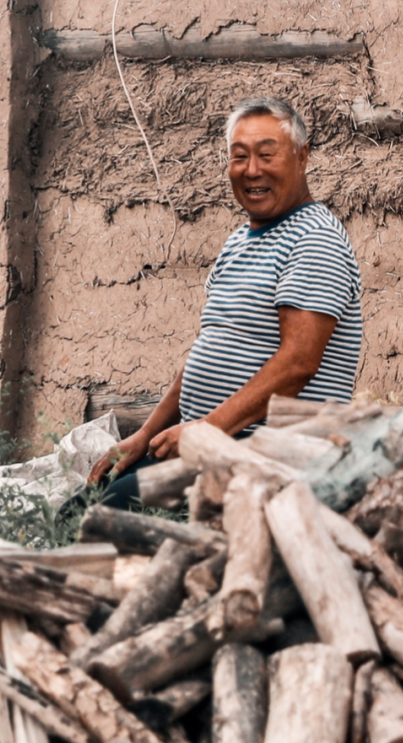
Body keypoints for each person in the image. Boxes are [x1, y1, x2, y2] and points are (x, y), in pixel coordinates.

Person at [88, 96, 362, 508]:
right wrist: (145, 435)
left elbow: (298, 363)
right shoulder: (239, 242)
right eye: (239, 156)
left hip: (264, 457)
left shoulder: (314, 239)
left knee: (106, 513)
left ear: (302, 157)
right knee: (87, 500)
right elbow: (210, 349)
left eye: (267, 155)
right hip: (214, 444)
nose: (252, 170)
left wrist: (205, 431)